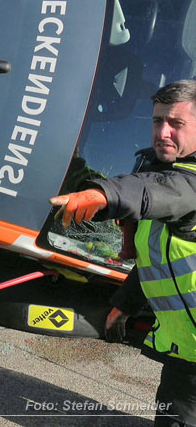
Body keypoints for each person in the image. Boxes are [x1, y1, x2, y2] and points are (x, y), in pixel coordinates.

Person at [50, 79, 196, 427]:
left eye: (176, 124)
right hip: (186, 350)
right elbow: (158, 262)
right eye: (157, 121)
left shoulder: (185, 184)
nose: (163, 132)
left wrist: (103, 194)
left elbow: (154, 193)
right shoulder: (166, 173)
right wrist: (125, 304)